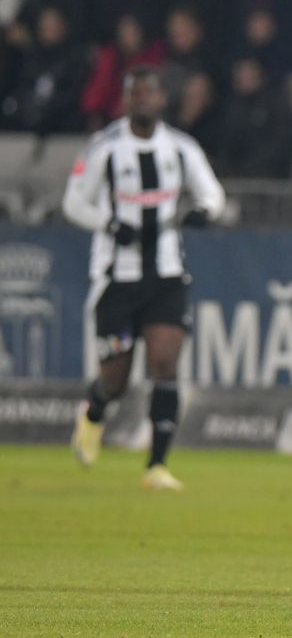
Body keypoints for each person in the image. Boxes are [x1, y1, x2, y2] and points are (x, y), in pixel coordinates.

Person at [63, 66, 225, 490]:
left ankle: (156, 466)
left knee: (165, 363)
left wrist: (204, 211)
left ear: (161, 100)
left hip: (167, 274)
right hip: (116, 278)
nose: (142, 101)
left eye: (148, 94)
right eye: (134, 94)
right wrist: (109, 222)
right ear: (126, 101)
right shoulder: (105, 148)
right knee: (115, 378)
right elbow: (73, 202)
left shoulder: (180, 148)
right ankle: (95, 409)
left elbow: (212, 193)